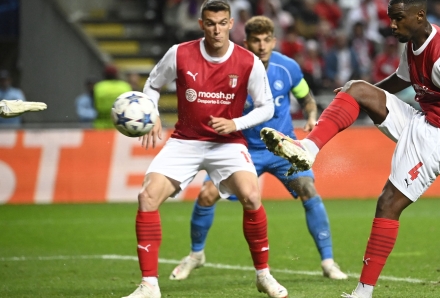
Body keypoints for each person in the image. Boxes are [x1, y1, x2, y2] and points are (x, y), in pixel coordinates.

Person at [260, 0, 440, 297]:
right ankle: (308, 148)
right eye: (390, 18)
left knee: (387, 204)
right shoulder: (413, 43)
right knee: (356, 87)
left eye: (398, 18)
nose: (391, 25)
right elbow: (400, 80)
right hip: (425, 119)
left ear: (419, 15)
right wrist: (362, 94)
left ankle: (363, 292)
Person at [123, 1, 287, 298]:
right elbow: (153, 83)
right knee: (147, 197)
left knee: (251, 196)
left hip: (227, 143)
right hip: (185, 141)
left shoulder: (247, 61)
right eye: (210, 23)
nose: (216, 29)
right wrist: (153, 112)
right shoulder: (179, 52)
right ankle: (149, 285)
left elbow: (266, 108)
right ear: (201, 24)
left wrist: (234, 123)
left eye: (222, 23)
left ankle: (263, 275)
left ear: (230, 24)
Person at [169, 15, 348, 282]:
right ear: (246, 42)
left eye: (267, 40)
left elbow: (307, 99)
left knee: (308, 190)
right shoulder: (230, 66)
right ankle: (196, 255)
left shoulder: (288, 67)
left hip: (282, 148)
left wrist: (311, 117)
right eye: (256, 40)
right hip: (241, 149)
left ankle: (328, 261)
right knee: (207, 195)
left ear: (274, 41)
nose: (262, 46)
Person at [93, 64, 132, 129]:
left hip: (101, 125)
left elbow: (95, 104)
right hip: (121, 124)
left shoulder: (98, 87)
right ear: (116, 74)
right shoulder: (125, 86)